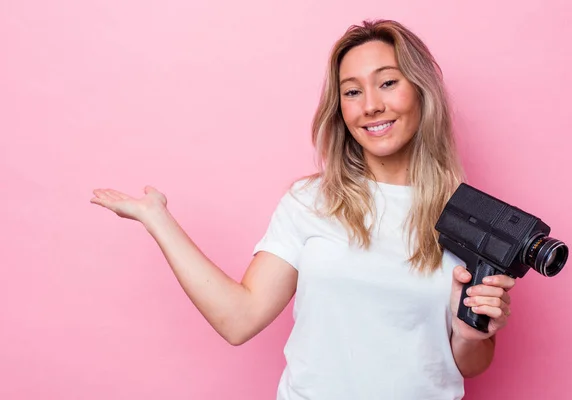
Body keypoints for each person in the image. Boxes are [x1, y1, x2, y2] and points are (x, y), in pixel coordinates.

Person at [90, 19, 515, 400]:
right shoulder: (312, 202)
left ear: (422, 93)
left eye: (387, 83)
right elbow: (239, 319)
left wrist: (469, 335)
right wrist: (157, 219)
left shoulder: (473, 217)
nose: (370, 105)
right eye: (352, 91)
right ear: (341, 109)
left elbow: (467, 365)